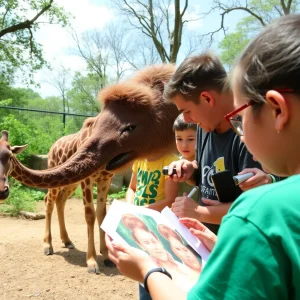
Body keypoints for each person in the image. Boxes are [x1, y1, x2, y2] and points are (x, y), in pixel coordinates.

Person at [106, 14, 300, 299]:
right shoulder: (205, 130)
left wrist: (147, 272)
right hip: (211, 240)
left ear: (277, 110)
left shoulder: (258, 213)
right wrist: (192, 169)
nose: (241, 130)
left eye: (241, 116)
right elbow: (211, 172)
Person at [164, 51, 277, 234]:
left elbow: (256, 206)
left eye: (187, 111)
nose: (187, 119)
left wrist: (199, 213)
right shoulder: (204, 127)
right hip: (206, 242)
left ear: (207, 98)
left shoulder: (250, 131)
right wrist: (190, 170)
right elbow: (205, 175)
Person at [126, 152, 179, 299]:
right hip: (140, 225)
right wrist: (129, 207)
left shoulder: (170, 161)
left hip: (158, 227)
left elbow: (170, 200)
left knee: (162, 267)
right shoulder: (139, 160)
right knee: (144, 269)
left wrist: (141, 211)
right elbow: (132, 188)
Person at [173, 114, 199, 201]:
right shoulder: (175, 163)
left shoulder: (204, 162)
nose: (184, 145)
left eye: (191, 139)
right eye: (179, 139)